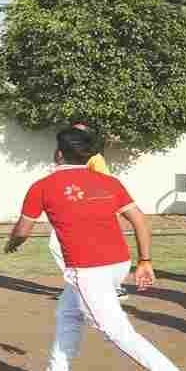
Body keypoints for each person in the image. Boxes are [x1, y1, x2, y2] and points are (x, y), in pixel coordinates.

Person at [7, 128, 186, 371]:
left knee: (115, 330)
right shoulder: (109, 182)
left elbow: (23, 231)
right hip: (118, 263)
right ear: (89, 155)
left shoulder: (42, 186)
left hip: (87, 270)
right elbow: (139, 220)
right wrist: (145, 260)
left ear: (59, 154)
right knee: (68, 312)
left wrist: (12, 243)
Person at [48, 121, 127, 301]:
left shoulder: (94, 158)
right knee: (58, 245)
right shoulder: (66, 154)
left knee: (86, 248)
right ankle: (80, 285)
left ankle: (112, 287)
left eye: (80, 132)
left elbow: (104, 183)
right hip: (70, 211)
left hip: (87, 212)